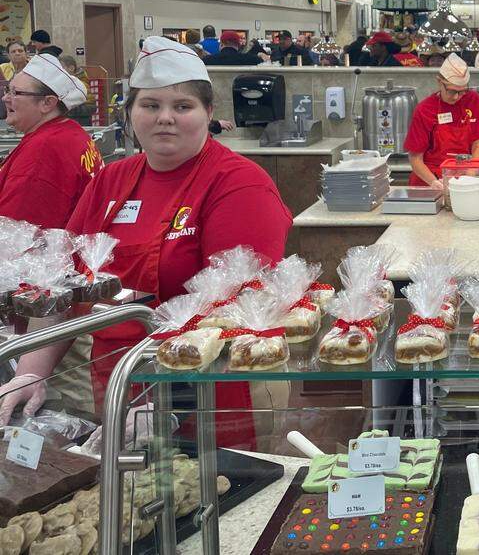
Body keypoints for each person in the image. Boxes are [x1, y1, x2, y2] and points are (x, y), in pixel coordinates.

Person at [0, 38, 292, 444]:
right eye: (150, 106)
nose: (165, 118)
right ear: (132, 113)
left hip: (211, 393)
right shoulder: (111, 181)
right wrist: (32, 371)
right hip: (119, 385)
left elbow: (238, 309)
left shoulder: (240, 184)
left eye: (182, 106)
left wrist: (169, 397)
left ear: (209, 113)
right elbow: (66, 285)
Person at [0, 53, 102, 227]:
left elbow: (13, 234)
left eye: (15, 93)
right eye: (7, 90)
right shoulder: (70, 131)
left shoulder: (43, 151)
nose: (5, 98)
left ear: (47, 103)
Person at [403, 53, 479, 189]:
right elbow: (415, 158)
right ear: (439, 82)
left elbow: (478, 143)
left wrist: (469, 178)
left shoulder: (474, 101)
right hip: (429, 181)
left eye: (462, 91)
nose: (457, 97)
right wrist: (434, 183)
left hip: (465, 174)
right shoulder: (425, 109)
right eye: (452, 91)